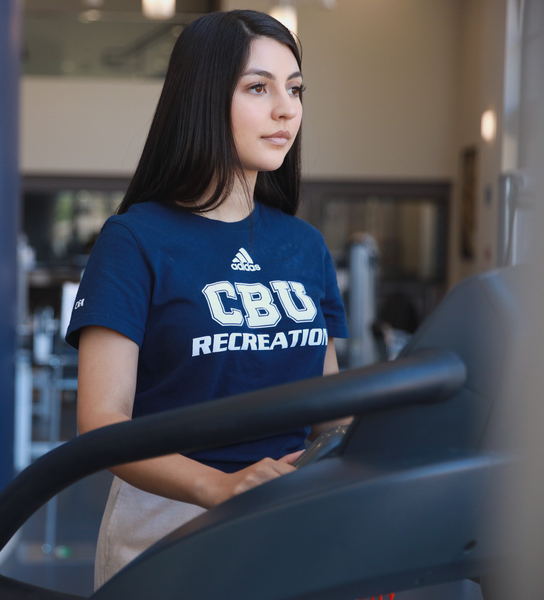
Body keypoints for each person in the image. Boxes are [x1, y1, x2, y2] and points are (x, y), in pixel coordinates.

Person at [63, 9, 350, 589]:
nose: (286, 109)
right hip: (171, 517)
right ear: (203, 98)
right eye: (258, 88)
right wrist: (217, 486)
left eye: (294, 89)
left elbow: (331, 409)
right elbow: (101, 422)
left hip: (289, 512)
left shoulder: (303, 245)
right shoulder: (136, 239)